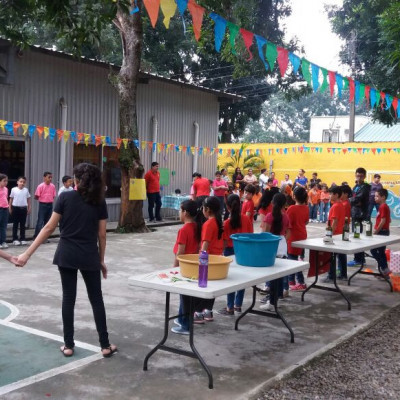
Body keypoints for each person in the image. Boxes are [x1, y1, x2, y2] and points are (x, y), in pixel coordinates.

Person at [15, 163, 117, 358]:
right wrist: (101, 259)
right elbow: (102, 235)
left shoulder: (65, 197)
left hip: (67, 254)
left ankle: (68, 345)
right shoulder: (99, 201)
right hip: (89, 255)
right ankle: (105, 345)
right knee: (96, 299)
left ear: (76, 181)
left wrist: (26, 254)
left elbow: (48, 228)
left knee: (68, 299)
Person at [217, 194, 253, 316]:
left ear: (227, 207)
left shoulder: (226, 223)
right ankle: (238, 305)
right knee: (242, 278)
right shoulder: (246, 220)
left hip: (230, 251)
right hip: (244, 251)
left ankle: (229, 307)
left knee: (231, 279)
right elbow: (250, 236)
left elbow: (225, 241)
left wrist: (220, 253)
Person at [171, 200, 201, 335]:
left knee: (185, 297)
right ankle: (181, 318)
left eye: (180, 210)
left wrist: (174, 268)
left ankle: (185, 325)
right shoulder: (197, 226)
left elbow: (180, 252)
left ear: (185, 213)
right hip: (193, 265)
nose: (179, 212)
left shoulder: (184, 230)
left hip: (184, 267)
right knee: (186, 296)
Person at [260, 193, 290, 311]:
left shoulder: (269, 216)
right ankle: (276, 299)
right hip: (282, 247)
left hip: (271, 247)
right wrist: (282, 240)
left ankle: (272, 302)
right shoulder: (286, 216)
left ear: (272, 203)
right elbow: (288, 233)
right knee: (279, 276)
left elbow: (266, 234)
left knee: (272, 277)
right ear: (284, 204)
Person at [348, 167, 371, 268]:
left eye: (361, 176)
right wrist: (353, 200)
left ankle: (359, 259)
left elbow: (357, 198)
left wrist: (350, 200)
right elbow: (354, 198)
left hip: (360, 214)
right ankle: (359, 258)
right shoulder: (356, 186)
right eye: (358, 175)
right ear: (355, 175)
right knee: (355, 236)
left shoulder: (365, 187)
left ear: (365, 176)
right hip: (354, 213)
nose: (359, 177)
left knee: (357, 236)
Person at [287, 187, 309, 291]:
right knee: (296, 258)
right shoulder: (306, 207)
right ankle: (291, 280)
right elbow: (306, 221)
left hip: (293, 236)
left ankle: (300, 282)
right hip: (302, 235)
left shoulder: (291, 208)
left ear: (294, 196)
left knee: (293, 260)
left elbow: (287, 224)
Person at [325, 186, 347, 282]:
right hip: (339, 234)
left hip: (335, 235)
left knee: (332, 256)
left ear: (336, 195)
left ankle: (331, 275)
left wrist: (329, 235)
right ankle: (343, 274)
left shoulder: (336, 206)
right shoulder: (341, 205)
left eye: (331, 194)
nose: (329, 196)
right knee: (341, 255)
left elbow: (334, 222)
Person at [371, 189, 391, 276]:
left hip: (381, 232)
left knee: (374, 250)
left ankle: (384, 267)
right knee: (381, 252)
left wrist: (376, 231)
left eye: (377, 196)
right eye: (375, 196)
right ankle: (384, 269)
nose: (375, 198)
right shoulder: (384, 206)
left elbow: (383, 221)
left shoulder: (383, 206)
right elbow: (388, 220)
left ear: (383, 197)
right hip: (384, 231)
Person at [33, 171, 56, 239]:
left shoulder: (53, 186)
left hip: (50, 204)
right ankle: (36, 236)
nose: (50, 179)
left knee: (47, 221)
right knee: (40, 221)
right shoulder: (40, 186)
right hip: (43, 204)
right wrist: (43, 197)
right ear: (44, 178)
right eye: (49, 177)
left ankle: (45, 237)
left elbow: (53, 195)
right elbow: (36, 196)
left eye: (51, 177)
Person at [9, 176, 31, 246]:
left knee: (22, 224)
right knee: (15, 224)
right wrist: (10, 208)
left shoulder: (26, 190)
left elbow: (28, 200)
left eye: (24, 182)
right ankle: (15, 239)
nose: (22, 183)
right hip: (15, 208)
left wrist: (29, 207)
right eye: (21, 182)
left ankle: (23, 238)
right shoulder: (13, 189)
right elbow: (11, 199)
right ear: (17, 182)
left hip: (23, 208)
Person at [0, 174, 9, 248]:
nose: (6, 182)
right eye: (4, 181)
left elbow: (5, 198)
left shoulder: (6, 189)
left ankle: (3, 241)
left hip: (5, 208)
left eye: (6, 181)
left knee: (4, 226)